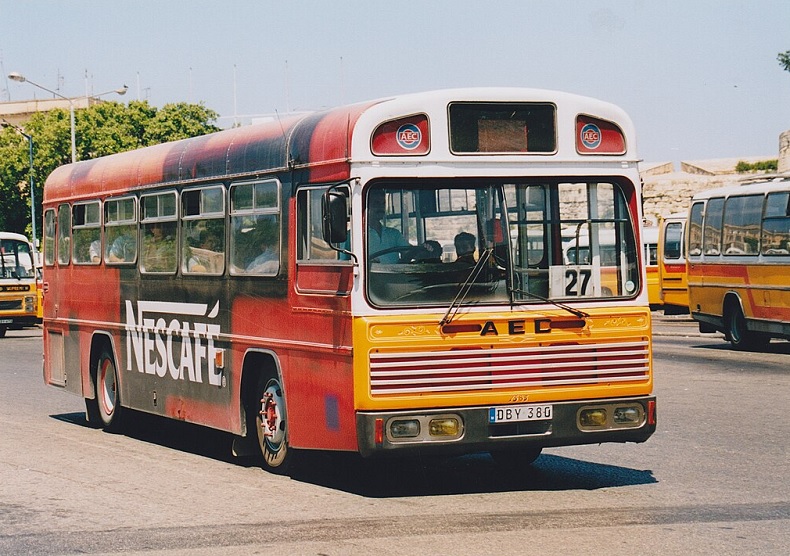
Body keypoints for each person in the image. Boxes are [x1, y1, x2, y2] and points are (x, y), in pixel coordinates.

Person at [367, 189, 409, 263]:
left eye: (383, 203)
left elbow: (409, 252)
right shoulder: (352, 236)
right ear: (365, 206)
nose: (381, 207)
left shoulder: (394, 234)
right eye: (376, 203)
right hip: (367, 274)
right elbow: (345, 264)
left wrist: (426, 248)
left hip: (394, 274)